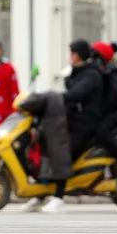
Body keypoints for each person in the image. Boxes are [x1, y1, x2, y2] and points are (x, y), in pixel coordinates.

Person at [29, 40, 105, 214]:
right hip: (70, 121)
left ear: (77, 55)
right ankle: (40, 194)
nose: (69, 56)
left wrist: (56, 97)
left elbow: (75, 94)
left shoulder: (91, 74)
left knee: (62, 154)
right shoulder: (77, 72)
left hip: (85, 124)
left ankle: (58, 197)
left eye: (71, 53)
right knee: (48, 149)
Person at [92, 41, 117, 158]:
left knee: (101, 131)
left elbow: (115, 96)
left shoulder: (113, 73)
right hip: (110, 110)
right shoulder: (103, 73)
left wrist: (102, 109)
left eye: (94, 57)